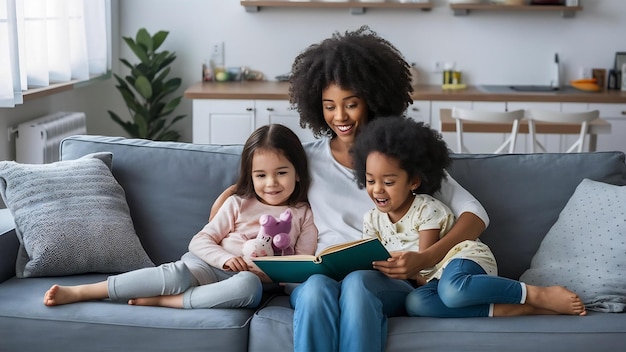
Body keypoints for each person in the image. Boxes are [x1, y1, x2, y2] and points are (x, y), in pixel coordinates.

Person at [209, 26, 489, 352]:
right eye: (329, 106)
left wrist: (424, 257)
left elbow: (476, 213)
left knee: (357, 283)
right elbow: (254, 189)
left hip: (383, 279)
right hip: (318, 276)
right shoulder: (305, 161)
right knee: (315, 290)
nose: (339, 116)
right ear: (316, 105)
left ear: (373, 100)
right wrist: (227, 202)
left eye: (351, 104)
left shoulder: (398, 159)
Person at [43, 124, 318, 309]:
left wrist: (276, 278)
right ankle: (86, 291)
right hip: (208, 265)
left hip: (251, 282)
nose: (271, 183)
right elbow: (200, 241)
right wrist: (225, 258)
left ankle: (166, 302)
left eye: (281, 172)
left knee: (248, 287)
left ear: (297, 172)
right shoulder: (238, 203)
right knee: (177, 273)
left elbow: (303, 264)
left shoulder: (302, 214)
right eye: (261, 175)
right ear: (250, 175)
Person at [352, 116, 587, 320]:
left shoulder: (425, 209)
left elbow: (426, 262)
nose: (378, 190)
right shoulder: (372, 219)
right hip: (432, 280)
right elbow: (372, 257)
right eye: (371, 181)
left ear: (413, 181)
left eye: (389, 182)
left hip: (461, 258)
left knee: (453, 291)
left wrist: (400, 264)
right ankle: (527, 309)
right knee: (417, 304)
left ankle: (538, 293)